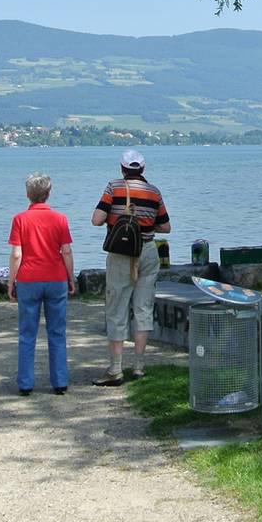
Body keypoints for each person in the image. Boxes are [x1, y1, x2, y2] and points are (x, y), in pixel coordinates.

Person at [90, 150, 170, 386]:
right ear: (143, 169)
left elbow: (96, 219)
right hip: (147, 251)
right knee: (143, 308)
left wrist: (115, 217)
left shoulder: (113, 188)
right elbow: (165, 227)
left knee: (116, 308)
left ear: (122, 169)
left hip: (121, 254)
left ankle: (115, 369)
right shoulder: (154, 192)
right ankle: (138, 366)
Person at [7, 172, 75, 396]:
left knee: (27, 333)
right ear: (48, 193)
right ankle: (60, 381)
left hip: (28, 278)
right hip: (56, 278)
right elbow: (66, 250)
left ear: (28, 194)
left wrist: (11, 281)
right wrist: (70, 277)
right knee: (57, 331)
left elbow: (17, 254)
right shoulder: (60, 219)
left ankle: (26, 383)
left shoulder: (20, 219)